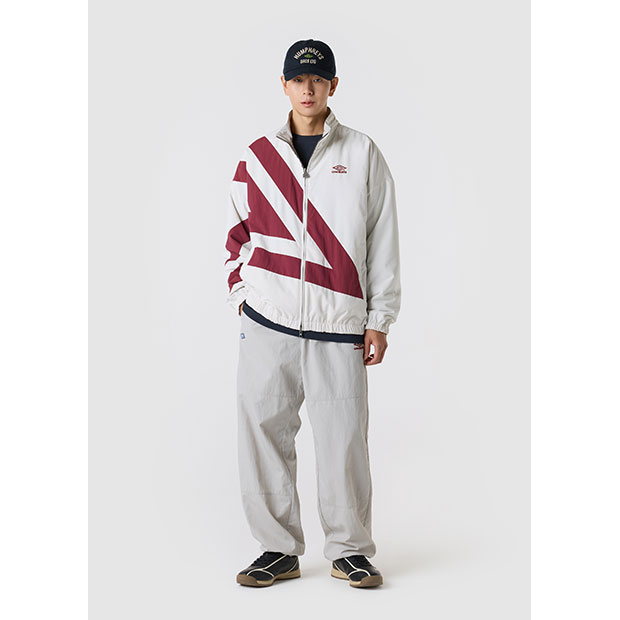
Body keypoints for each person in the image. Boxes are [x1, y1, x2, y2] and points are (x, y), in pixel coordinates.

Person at [223, 38, 401, 589]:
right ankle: (277, 550)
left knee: (343, 441)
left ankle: (350, 550)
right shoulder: (257, 157)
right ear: (283, 85)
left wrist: (379, 318)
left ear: (332, 86)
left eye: (318, 79)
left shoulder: (362, 153)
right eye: (298, 80)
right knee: (262, 434)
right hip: (267, 322)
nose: (308, 89)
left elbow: (382, 240)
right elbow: (236, 234)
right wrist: (243, 298)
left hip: (338, 325)